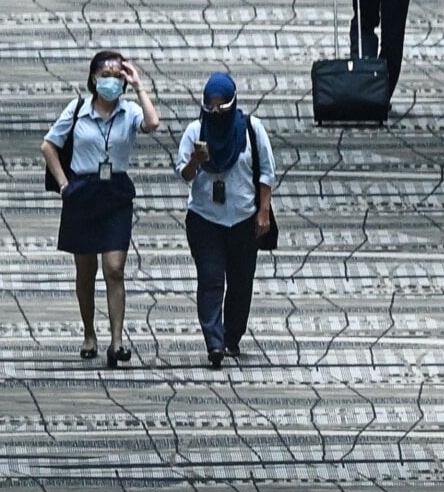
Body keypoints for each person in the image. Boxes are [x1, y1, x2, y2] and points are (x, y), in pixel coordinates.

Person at [41, 51, 162, 368]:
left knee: (114, 267)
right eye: (106, 74)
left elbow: (153, 123)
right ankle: (89, 333)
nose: (112, 80)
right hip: (82, 191)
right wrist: (64, 183)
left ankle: (118, 340)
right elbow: (49, 145)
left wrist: (138, 85)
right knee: (85, 270)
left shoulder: (130, 110)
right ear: (94, 78)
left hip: (115, 192)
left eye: (117, 75)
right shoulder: (78, 108)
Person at [175, 72, 277, 368]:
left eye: (222, 104)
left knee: (241, 282)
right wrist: (196, 161)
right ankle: (214, 342)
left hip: (244, 220)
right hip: (205, 220)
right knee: (210, 279)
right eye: (211, 104)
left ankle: (232, 335)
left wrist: (264, 211)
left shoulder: (251, 130)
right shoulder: (195, 131)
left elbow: (267, 172)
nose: (216, 110)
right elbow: (183, 174)